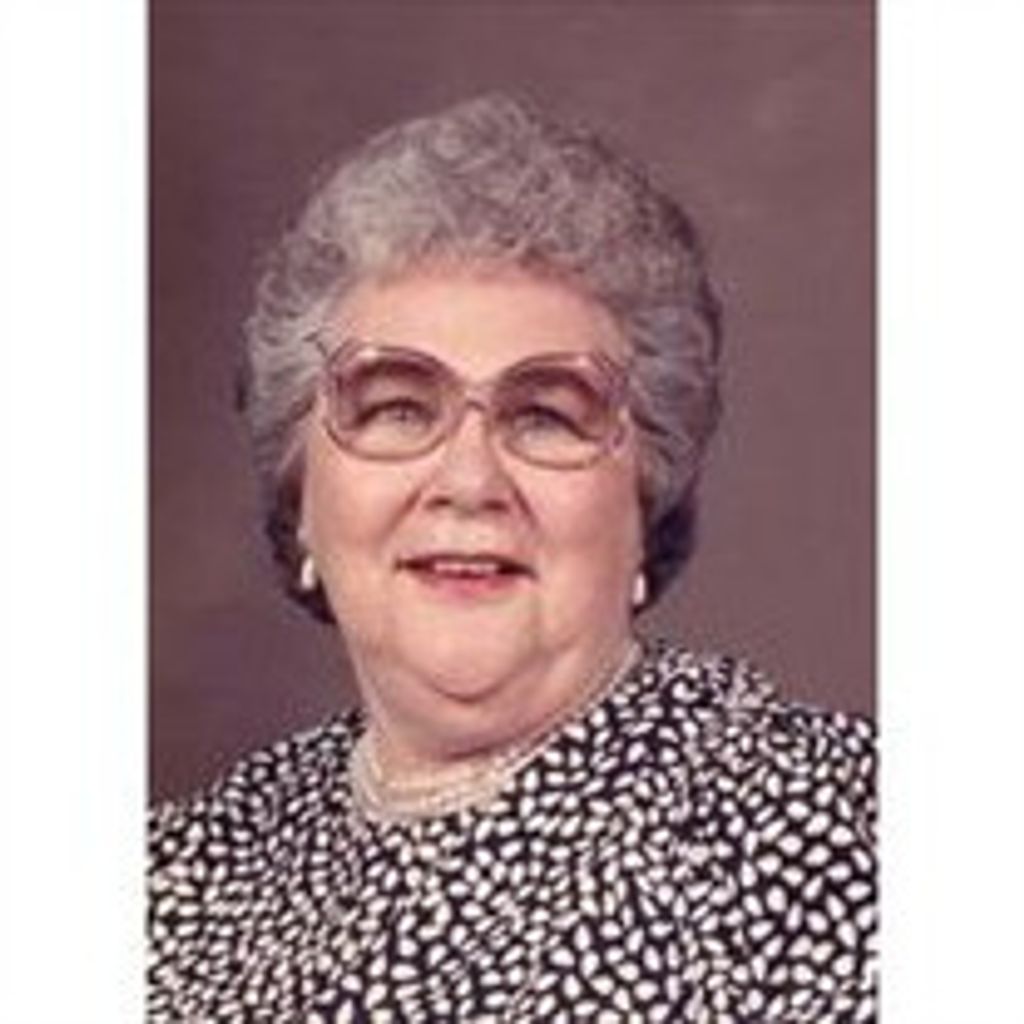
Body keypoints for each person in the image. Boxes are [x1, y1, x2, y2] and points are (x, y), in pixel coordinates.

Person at [148, 94, 876, 1022]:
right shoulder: (172, 880)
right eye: (397, 407)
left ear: (644, 497)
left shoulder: (843, 833)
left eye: (545, 417)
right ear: (302, 501)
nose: (469, 480)